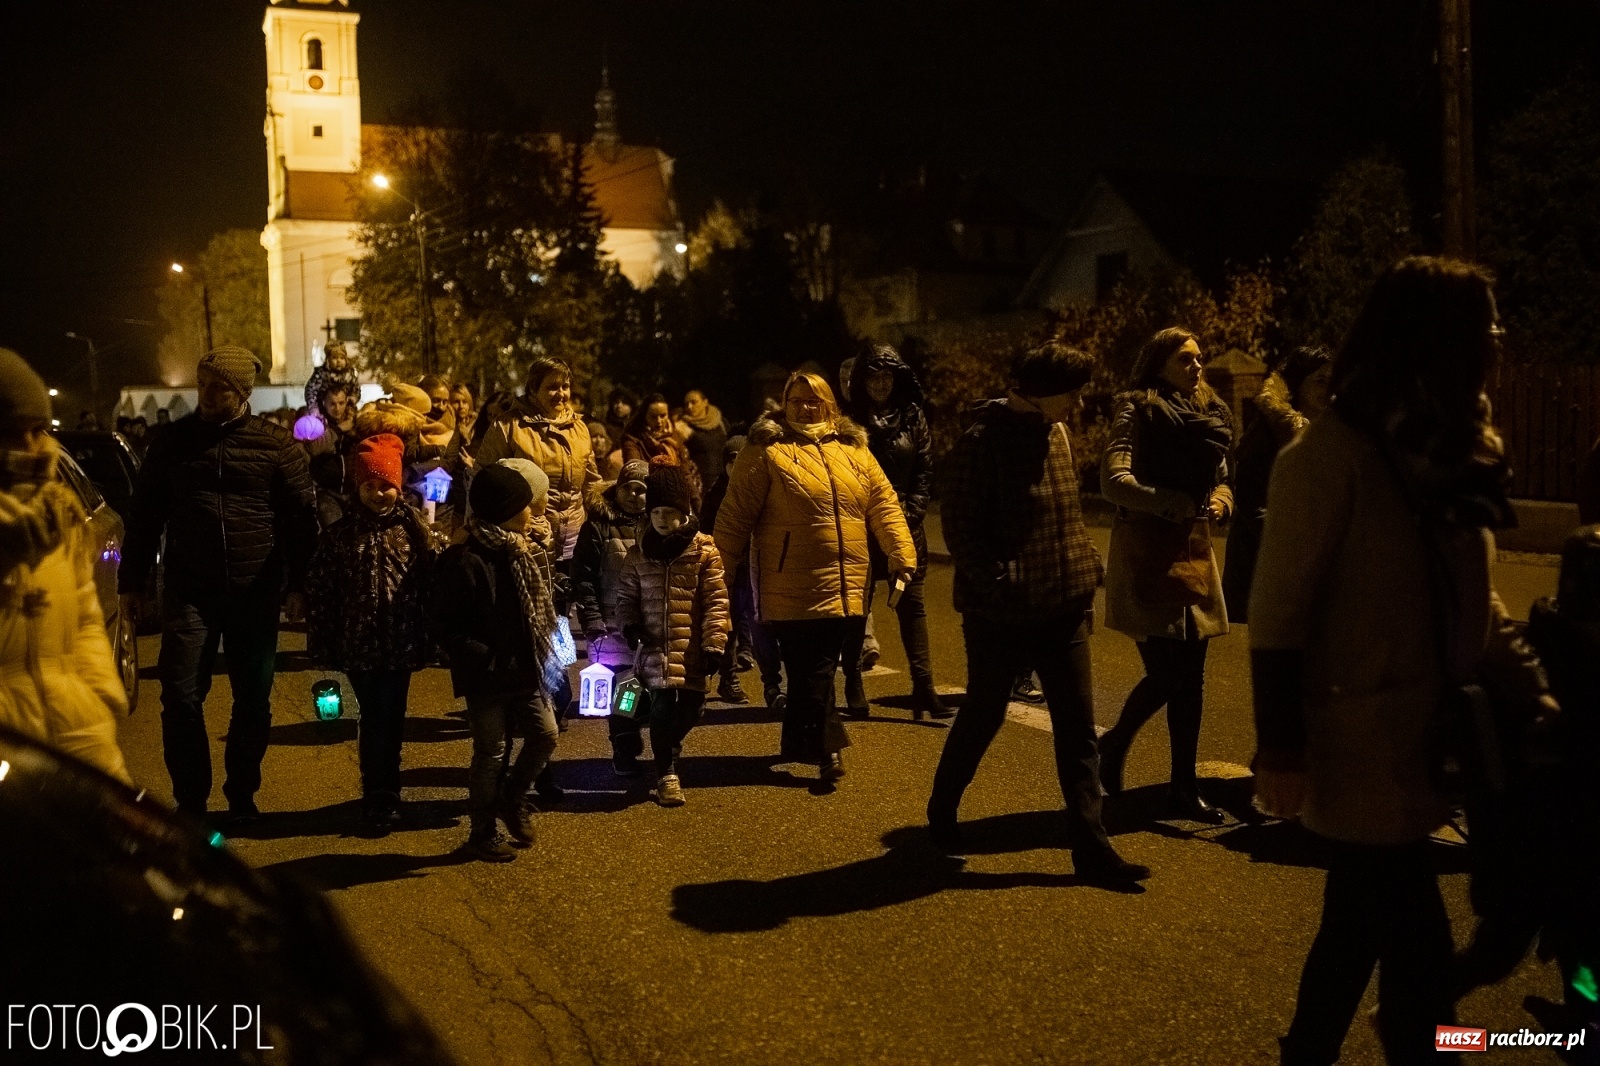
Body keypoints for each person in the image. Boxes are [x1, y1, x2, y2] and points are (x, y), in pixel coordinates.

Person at [1251, 257, 1554, 1065]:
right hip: (1360, 739)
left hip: (1428, 735)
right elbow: (1276, 614)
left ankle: (1316, 1051)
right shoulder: (1329, 455)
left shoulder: (1454, 449)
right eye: (1484, 326)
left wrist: (1533, 690)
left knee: (1356, 925)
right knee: (1413, 941)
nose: (1498, 340)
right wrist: (1280, 748)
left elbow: (1473, 598)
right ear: (1436, 339)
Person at [927, 342, 1145, 881]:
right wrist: (1002, 584)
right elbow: (961, 529)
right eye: (1071, 392)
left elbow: (1067, 514)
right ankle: (942, 809)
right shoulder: (980, 443)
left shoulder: (1058, 434)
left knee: (1077, 727)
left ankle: (1092, 849)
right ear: (1041, 391)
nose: (1078, 402)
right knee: (984, 713)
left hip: (1062, 605)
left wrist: (1083, 568)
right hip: (1000, 614)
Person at [120, 346, 318, 821]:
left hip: (254, 590)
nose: (207, 395)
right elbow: (145, 516)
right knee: (180, 696)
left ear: (242, 392)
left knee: (252, 699)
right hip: (190, 590)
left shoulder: (275, 446)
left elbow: (301, 521)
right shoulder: (172, 443)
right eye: (202, 384)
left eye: (219, 387)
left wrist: (300, 584)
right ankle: (191, 802)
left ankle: (241, 795)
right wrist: (133, 582)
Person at [712, 371, 915, 784]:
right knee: (814, 669)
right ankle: (828, 751)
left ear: (829, 405)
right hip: (790, 583)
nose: (805, 408)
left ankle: (800, 742)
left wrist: (901, 553)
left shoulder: (854, 449)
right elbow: (734, 516)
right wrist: (718, 573)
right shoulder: (766, 449)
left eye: (814, 401)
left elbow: (884, 504)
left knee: (813, 672)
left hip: (847, 580)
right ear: (784, 405)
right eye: (797, 400)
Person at [1097, 327, 1234, 824]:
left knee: (1192, 680)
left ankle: (1183, 787)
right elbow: (1114, 481)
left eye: (1199, 358)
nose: (1196, 366)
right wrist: (1169, 502)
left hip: (1193, 549)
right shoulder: (1138, 409)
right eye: (1184, 359)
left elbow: (1222, 479)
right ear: (1159, 363)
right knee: (1167, 674)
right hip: (1146, 549)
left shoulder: (1210, 411)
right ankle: (1114, 743)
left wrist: (1220, 503)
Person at [0, 348, 130, 783]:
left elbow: (86, 619)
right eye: (12, 433)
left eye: (38, 429)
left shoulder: (59, 514)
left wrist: (99, 696)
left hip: (78, 733)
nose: (31, 446)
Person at [306, 434, 442, 829]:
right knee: (373, 714)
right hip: (359, 642)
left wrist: (432, 634)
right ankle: (376, 791)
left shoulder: (413, 531)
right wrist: (324, 642)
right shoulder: (340, 535)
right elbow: (322, 591)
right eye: (369, 485)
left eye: (386, 485)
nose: (378, 494)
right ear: (358, 487)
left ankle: (388, 790)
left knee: (392, 714)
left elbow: (432, 580)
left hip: (401, 640)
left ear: (398, 486)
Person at [432, 463, 563, 862]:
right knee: (491, 752)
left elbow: (539, 603)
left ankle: (512, 796)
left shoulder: (521, 549)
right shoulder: (464, 560)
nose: (531, 511)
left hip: (524, 667)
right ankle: (482, 831)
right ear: (504, 511)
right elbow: (445, 626)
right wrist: (483, 657)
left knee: (545, 734)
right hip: (486, 675)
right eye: (524, 505)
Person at [840, 344, 951, 720]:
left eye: (887, 376)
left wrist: (913, 512)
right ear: (862, 380)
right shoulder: (849, 420)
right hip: (861, 525)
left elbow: (925, 469)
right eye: (873, 376)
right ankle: (853, 683)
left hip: (906, 523)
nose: (881, 383)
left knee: (912, 605)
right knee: (858, 607)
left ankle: (924, 687)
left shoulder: (912, 416)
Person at [616, 465, 731, 806]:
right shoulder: (638, 554)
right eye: (655, 512)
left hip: (691, 646)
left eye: (669, 512)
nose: (662, 519)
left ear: (684, 512)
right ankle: (667, 773)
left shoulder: (704, 552)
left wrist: (714, 645)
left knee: (692, 709)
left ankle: (667, 744)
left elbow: (716, 602)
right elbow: (626, 598)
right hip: (653, 646)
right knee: (663, 707)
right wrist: (630, 626)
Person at [1221, 345, 1332, 623]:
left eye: (1332, 380)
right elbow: (1253, 503)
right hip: (1269, 563)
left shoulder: (1329, 433)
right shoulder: (1268, 432)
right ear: (1297, 383)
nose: (1328, 388)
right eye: (1319, 380)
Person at [475, 357, 600, 563]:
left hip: (574, 539)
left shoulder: (579, 428)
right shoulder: (508, 426)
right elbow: (483, 481)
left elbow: (591, 483)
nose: (561, 394)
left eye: (565, 386)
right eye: (552, 387)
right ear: (533, 388)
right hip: (528, 539)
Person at [574, 460, 651, 773]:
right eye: (627, 487)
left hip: (652, 622)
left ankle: (646, 740)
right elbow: (584, 578)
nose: (633, 494)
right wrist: (592, 619)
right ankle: (624, 745)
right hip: (613, 625)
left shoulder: (658, 524)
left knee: (653, 689)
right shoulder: (598, 527)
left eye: (641, 489)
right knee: (625, 690)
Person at [702, 435, 782, 707]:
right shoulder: (716, 495)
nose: (736, 468)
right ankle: (728, 680)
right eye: (731, 462)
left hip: (756, 570)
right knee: (728, 628)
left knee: (763, 628)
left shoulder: (761, 489)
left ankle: (772, 685)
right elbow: (706, 533)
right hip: (728, 572)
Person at [621, 393, 703, 508]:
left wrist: (696, 502)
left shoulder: (674, 436)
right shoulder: (633, 440)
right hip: (647, 500)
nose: (659, 421)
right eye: (653, 417)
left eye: (663, 415)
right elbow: (636, 471)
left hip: (675, 499)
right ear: (645, 417)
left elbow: (685, 473)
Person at [676, 389, 728, 499]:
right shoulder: (683, 427)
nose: (689, 407)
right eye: (686, 404)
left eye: (693, 402)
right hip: (700, 485)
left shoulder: (720, 422)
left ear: (705, 402)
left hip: (722, 482)